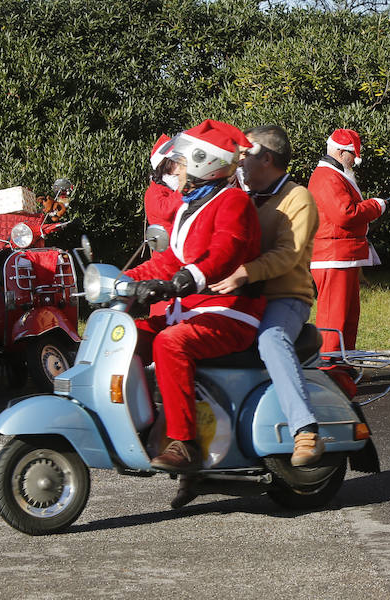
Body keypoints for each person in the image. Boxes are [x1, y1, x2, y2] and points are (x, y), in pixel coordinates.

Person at [125, 119, 265, 473]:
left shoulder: (233, 202)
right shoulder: (195, 203)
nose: (175, 171)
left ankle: (184, 442)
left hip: (228, 312)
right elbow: (171, 257)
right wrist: (123, 280)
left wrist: (186, 279)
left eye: (181, 164)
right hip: (192, 310)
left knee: (170, 344)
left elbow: (225, 252)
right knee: (127, 337)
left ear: (205, 162)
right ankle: (143, 422)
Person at [209, 125, 324, 466]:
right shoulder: (236, 195)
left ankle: (305, 431)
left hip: (284, 297)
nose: (239, 160)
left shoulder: (297, 197)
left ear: (268, 158)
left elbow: (288, 254)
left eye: (246, 154)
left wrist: (245, 272)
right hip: (243, 295)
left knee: (272, 339)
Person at [308, 128, 387, 354]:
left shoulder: (332, 175)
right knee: (334, 320)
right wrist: (376, 205)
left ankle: (343, 365)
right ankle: (329, 370)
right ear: (342, 152)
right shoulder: (327, 176)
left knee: (347, 317)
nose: (355, 162)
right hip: (334, 256)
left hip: (341, 256)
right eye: (354, 156)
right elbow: (345, 214)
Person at [144, 134, 185, 234]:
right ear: (166, 164)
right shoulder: (154, 191)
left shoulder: (172, 185)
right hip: (168, 246)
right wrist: (183, 188)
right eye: (176, 161)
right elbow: (165, 211)